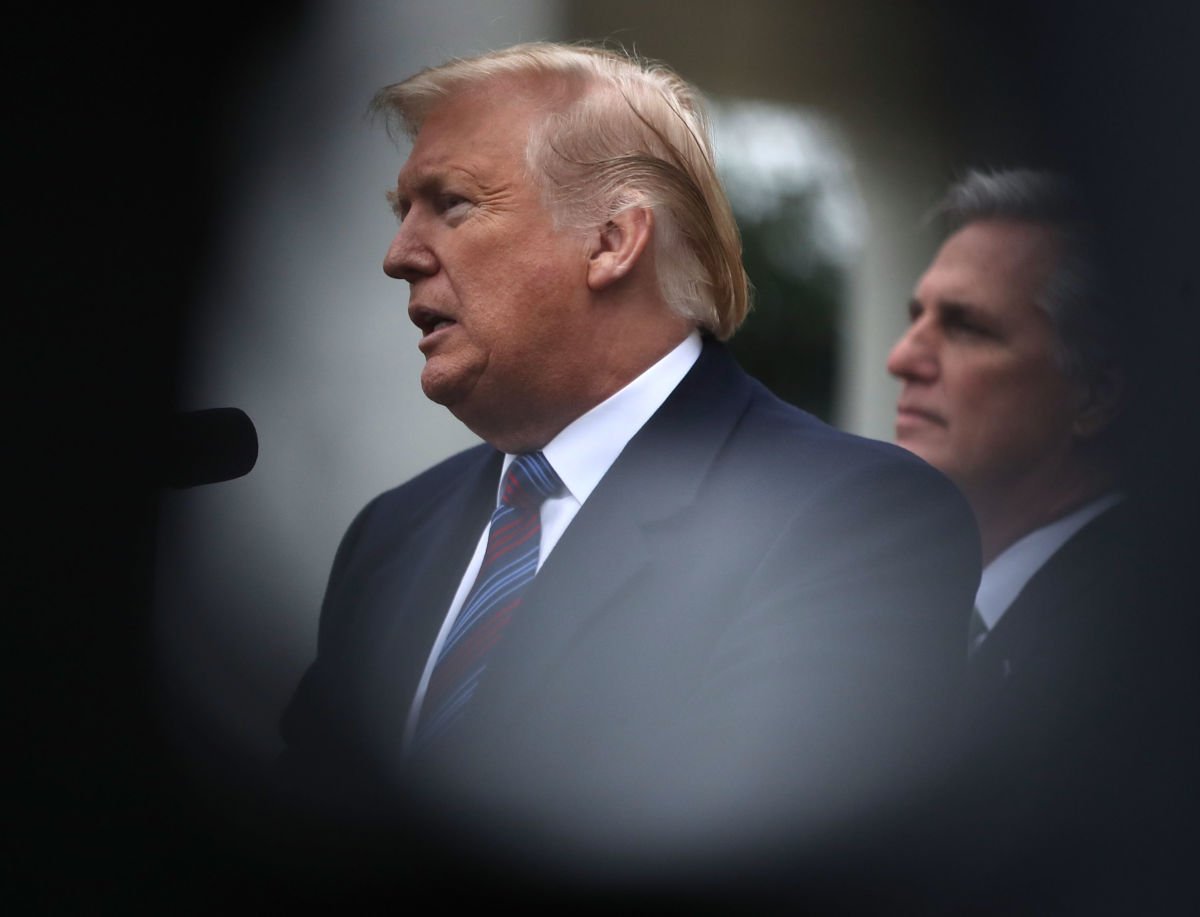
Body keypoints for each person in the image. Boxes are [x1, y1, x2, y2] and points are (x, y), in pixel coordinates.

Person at [276, 42, 979, 901]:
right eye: (401, 210)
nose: (399, 254)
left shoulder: (850, 519)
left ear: (612, 241)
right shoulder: (392, 533)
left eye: (450, 205)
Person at [885, 168, 1187, 910]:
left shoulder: (1147, 658)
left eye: (966, 327)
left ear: (1095, 393)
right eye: (915, 314)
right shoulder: (908, 609)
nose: (903, 357)